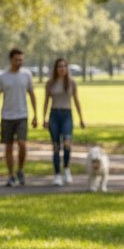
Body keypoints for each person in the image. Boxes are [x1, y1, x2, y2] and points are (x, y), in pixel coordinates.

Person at [0, 48, 37, 186]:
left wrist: (35, 115)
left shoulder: (26, 75)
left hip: (22, 115)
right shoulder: (2, 77)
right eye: (17, 60)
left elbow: (32, 94)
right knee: (9, 147)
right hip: (7, 116)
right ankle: (11, 175)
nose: (20, 62)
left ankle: (20, 170)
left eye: (21, 60)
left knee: (22, 144)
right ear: (11, 60)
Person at [43, 58, 85, 186]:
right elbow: (46, 101)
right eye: (59, 66)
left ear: (67, 69)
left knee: (67, 143)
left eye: (64, 66)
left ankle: (66, 169)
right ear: (55, 69)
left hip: (67, 114)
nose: (62, 69)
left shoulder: (71, 83)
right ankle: (57, 174)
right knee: (56, 147)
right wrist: (44, 118)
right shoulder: (50, 83)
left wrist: (81, 118)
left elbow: (76, 101)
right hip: (54, 114)